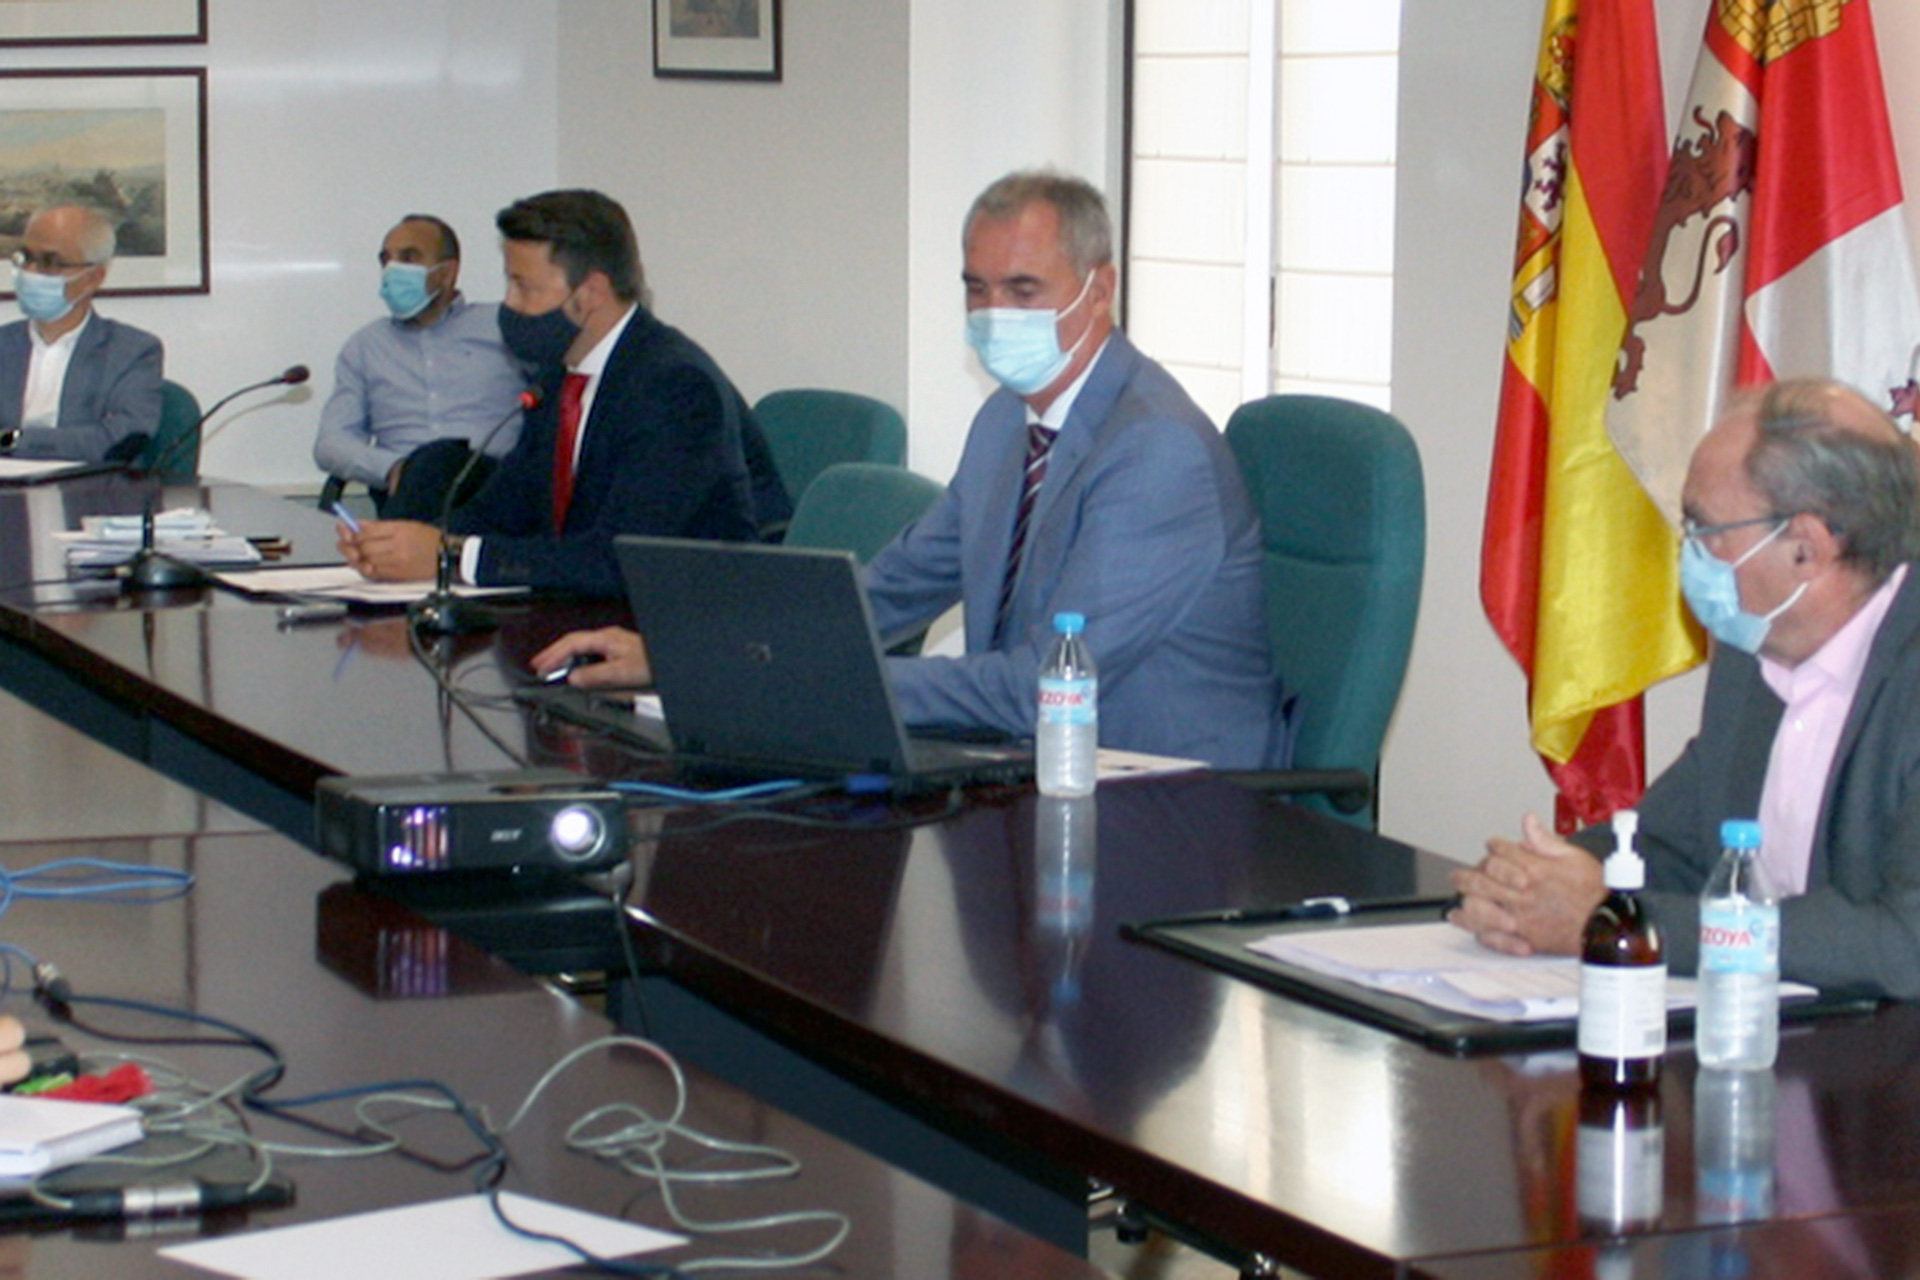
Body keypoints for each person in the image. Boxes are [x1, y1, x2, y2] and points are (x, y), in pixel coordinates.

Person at [538, 170, 1289, 769]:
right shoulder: (1006, 420)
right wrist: (693, 653)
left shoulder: (1156, 452)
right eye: (976, 287)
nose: (994, 311)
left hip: (1171, 799)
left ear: (1101, 290)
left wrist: (781, 676)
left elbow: (1042, 687)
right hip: (1041, 771)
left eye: (1023, 289)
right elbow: (895, 587)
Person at [1450, 379, 1920, 999]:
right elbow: (1674, 842)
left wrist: (1618, 923)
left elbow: (1904, 945)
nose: (1685, 553)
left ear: (1805, 548)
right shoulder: (1756, 649)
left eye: (1703, 530)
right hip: (1781, 1042)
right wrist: (1532, 887)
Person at [336, 189, 789, 597]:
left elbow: (622, 557)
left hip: (684, 623)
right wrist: (402, 546)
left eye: (524, 287)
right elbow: (507, 505)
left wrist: (450, 557)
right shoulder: (560, 378)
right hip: (587, 610)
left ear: (590, 292)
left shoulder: (674, 387)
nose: (509, 304)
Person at [311, 214, 529, 518]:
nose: (392, 270)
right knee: (427, 466)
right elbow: (331, 442)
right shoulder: (366, 346)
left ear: (448, 272)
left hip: (494, 489)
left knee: (440, 459)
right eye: (386, 260)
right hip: (406, 489)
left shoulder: (503, 326)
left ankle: (404, 555)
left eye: (409, 258)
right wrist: (390, 468)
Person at [0, 205, 162, 463]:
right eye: (25, 257)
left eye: (49, 262)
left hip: (89, 496)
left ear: (92, 278)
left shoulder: (132, 351)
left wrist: (13, 440)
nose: (29, 272)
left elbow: (120, 438)